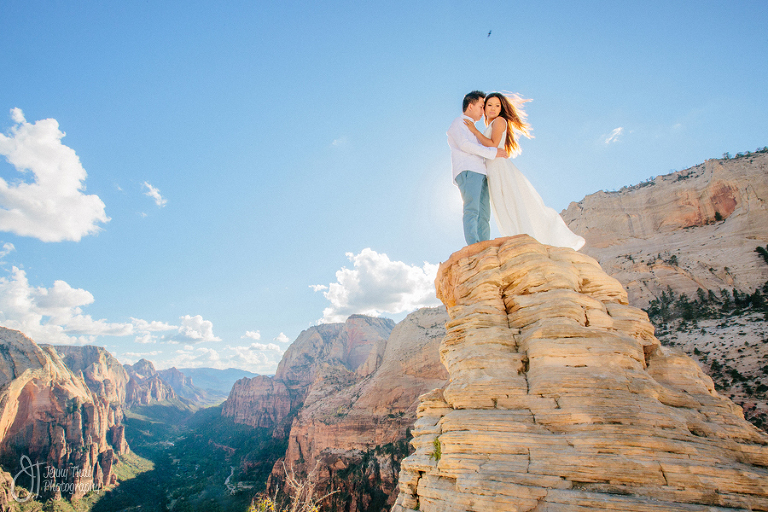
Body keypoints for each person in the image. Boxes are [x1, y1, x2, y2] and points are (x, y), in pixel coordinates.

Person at [464, 92, 586, 251]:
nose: (493, 108)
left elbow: (493, 145)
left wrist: (474, 131)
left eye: (497, 105)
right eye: (489, 105)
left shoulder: (500, 121)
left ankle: (525, 239)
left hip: (499, 168)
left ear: (501, 109)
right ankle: (520, 239)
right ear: (485, 108)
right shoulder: (491, 125)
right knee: (503, 206)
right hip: (493, 169)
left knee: (510, 203)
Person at [447, 91, 508, 246]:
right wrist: (493, 152)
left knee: (484, 214)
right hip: (468, 170)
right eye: (481, 106)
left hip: (481, 172)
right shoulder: (459, 123)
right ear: (470, 105)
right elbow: (465, 145)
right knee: (472, 209)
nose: (483, 111)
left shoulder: (473, 128)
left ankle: (484, 246)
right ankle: (474, 246)